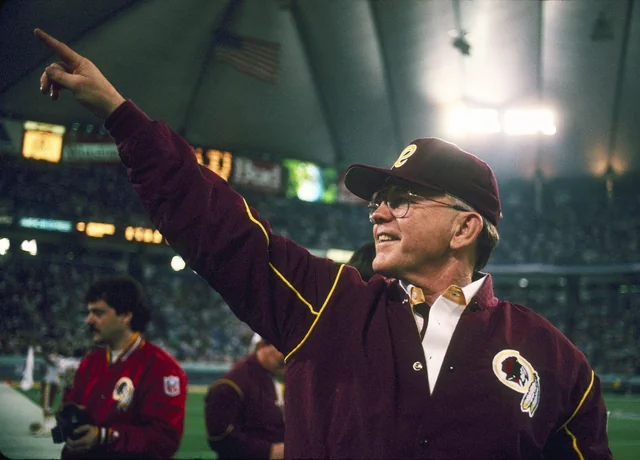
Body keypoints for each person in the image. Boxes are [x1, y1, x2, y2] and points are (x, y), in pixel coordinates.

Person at [35, 29, 612, 459]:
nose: (378, 211)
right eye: (378, 197)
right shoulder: (327, 305)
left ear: (465, 229)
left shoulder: (560, 365)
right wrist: (121, 117)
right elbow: (220, 230)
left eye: (403, 199)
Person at [56, 274, 187, 459]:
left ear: (125, 315)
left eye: (98, 313)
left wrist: (104, 436)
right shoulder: (90, 363)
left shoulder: (162, 368)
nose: (89, 320)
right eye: (89, 312)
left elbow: (164, 440)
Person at [205, 333, 285, 459]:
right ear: (261, 346)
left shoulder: (271, 378)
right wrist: (269, 451)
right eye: (282, 350)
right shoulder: (231, 385)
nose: (286, 358)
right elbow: (220, 437)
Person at [29, 344, 85, 437]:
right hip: (70, 387)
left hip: (59, 384)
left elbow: (49, 359)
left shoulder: (64, 361)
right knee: (66, 408)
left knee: (50, 405)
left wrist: (42, 352)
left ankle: (50, 426)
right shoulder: (80, 362)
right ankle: (63, 427)